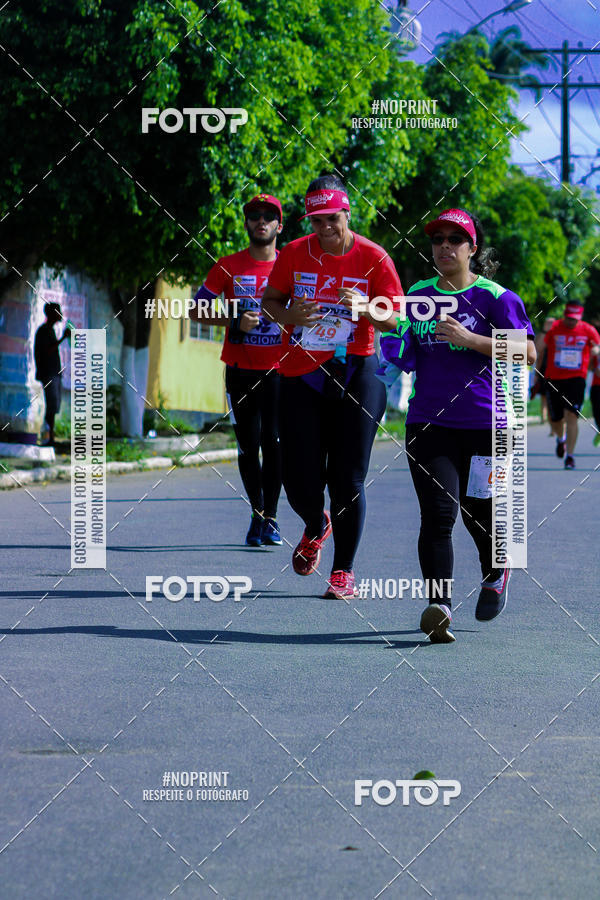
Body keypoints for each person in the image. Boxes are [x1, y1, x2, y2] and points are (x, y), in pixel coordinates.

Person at [380, 208, 535, 643]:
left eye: (455, 239)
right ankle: (440, 605)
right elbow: (405, 348)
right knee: (437, 514)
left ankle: (497, 569)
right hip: (429, 421)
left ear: (473, 248)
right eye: (437, 239)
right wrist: (388, 332)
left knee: (479, 514)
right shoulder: (419, 293)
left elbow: (528, 352)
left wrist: (471, 340)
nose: (444, 246)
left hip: (487, 425)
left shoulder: (496, 297)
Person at [261, 174, 403, 599]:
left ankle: (343, 570)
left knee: (348, 477)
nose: (325, 228)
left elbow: (396, 319)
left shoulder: (374, 257)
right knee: (298, 477)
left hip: (359, 371)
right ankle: (314, 523)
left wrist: (366, 307)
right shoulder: (292, 253)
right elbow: (269, 303)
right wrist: (290, 317)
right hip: (301, 372)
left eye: (332, 219)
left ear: (347, 213)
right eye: (316, 220)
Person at [192, 194, 284, 546]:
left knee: (274, 443)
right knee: (247, 446)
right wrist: (233, 320)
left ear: (279, 225)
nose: (261, 221)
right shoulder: (228, 265)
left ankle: (272, 519)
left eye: (268, 216)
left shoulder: (288, 265)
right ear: (246, 224)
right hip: (239, 370)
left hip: (278, 371)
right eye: (254, 216)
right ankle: (257, 514)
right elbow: (196, 310)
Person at [543, 303, 600, 469]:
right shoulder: (554, 327)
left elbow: (597, 346)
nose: (571, 322)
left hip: (577, 378)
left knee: (572, 415)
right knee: (555, 419)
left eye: (574, 320)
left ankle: (570, 456)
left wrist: (596, 350)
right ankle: (561, 440)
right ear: (564, 315)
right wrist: (545, 330)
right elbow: (539, 346)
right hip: (554, 378)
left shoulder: (588, 330)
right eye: (568, 318)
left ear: (580, 318)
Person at [34, 302, 70, 446]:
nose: (60, 314)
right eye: (58, 312)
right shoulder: (44, 331)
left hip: (54, 373)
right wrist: (63, 338)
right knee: (51, 405)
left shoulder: (50, 330)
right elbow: (47, 351)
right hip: (48, 373)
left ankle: (51, 436)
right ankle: (49, 437)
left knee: (54, 405)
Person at [532, 316, 555, 426]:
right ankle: (544, 418)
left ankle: (552, 422)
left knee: (552, 398)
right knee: (544, 397)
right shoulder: (543, 336)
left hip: (556, 373)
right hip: (544, 371)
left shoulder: (558, 337)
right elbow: (537, 352)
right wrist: (536, 373)